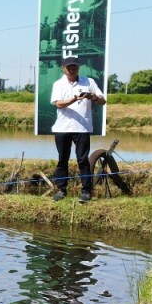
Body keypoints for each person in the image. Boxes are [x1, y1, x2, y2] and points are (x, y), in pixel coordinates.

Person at [50, 55, 107, 203]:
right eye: (69, 67)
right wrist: (74, 99)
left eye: (74, 67)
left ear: (78, 68)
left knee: (83, 160)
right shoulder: (58, 84)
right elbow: (58, 104)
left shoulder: (89, 81)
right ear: (63, 69)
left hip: (82, 127)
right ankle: (61, 190)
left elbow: (103, 101)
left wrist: (93, 97)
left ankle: (86, 192)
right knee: (62, 160)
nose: (72, 69)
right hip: (62, 128)